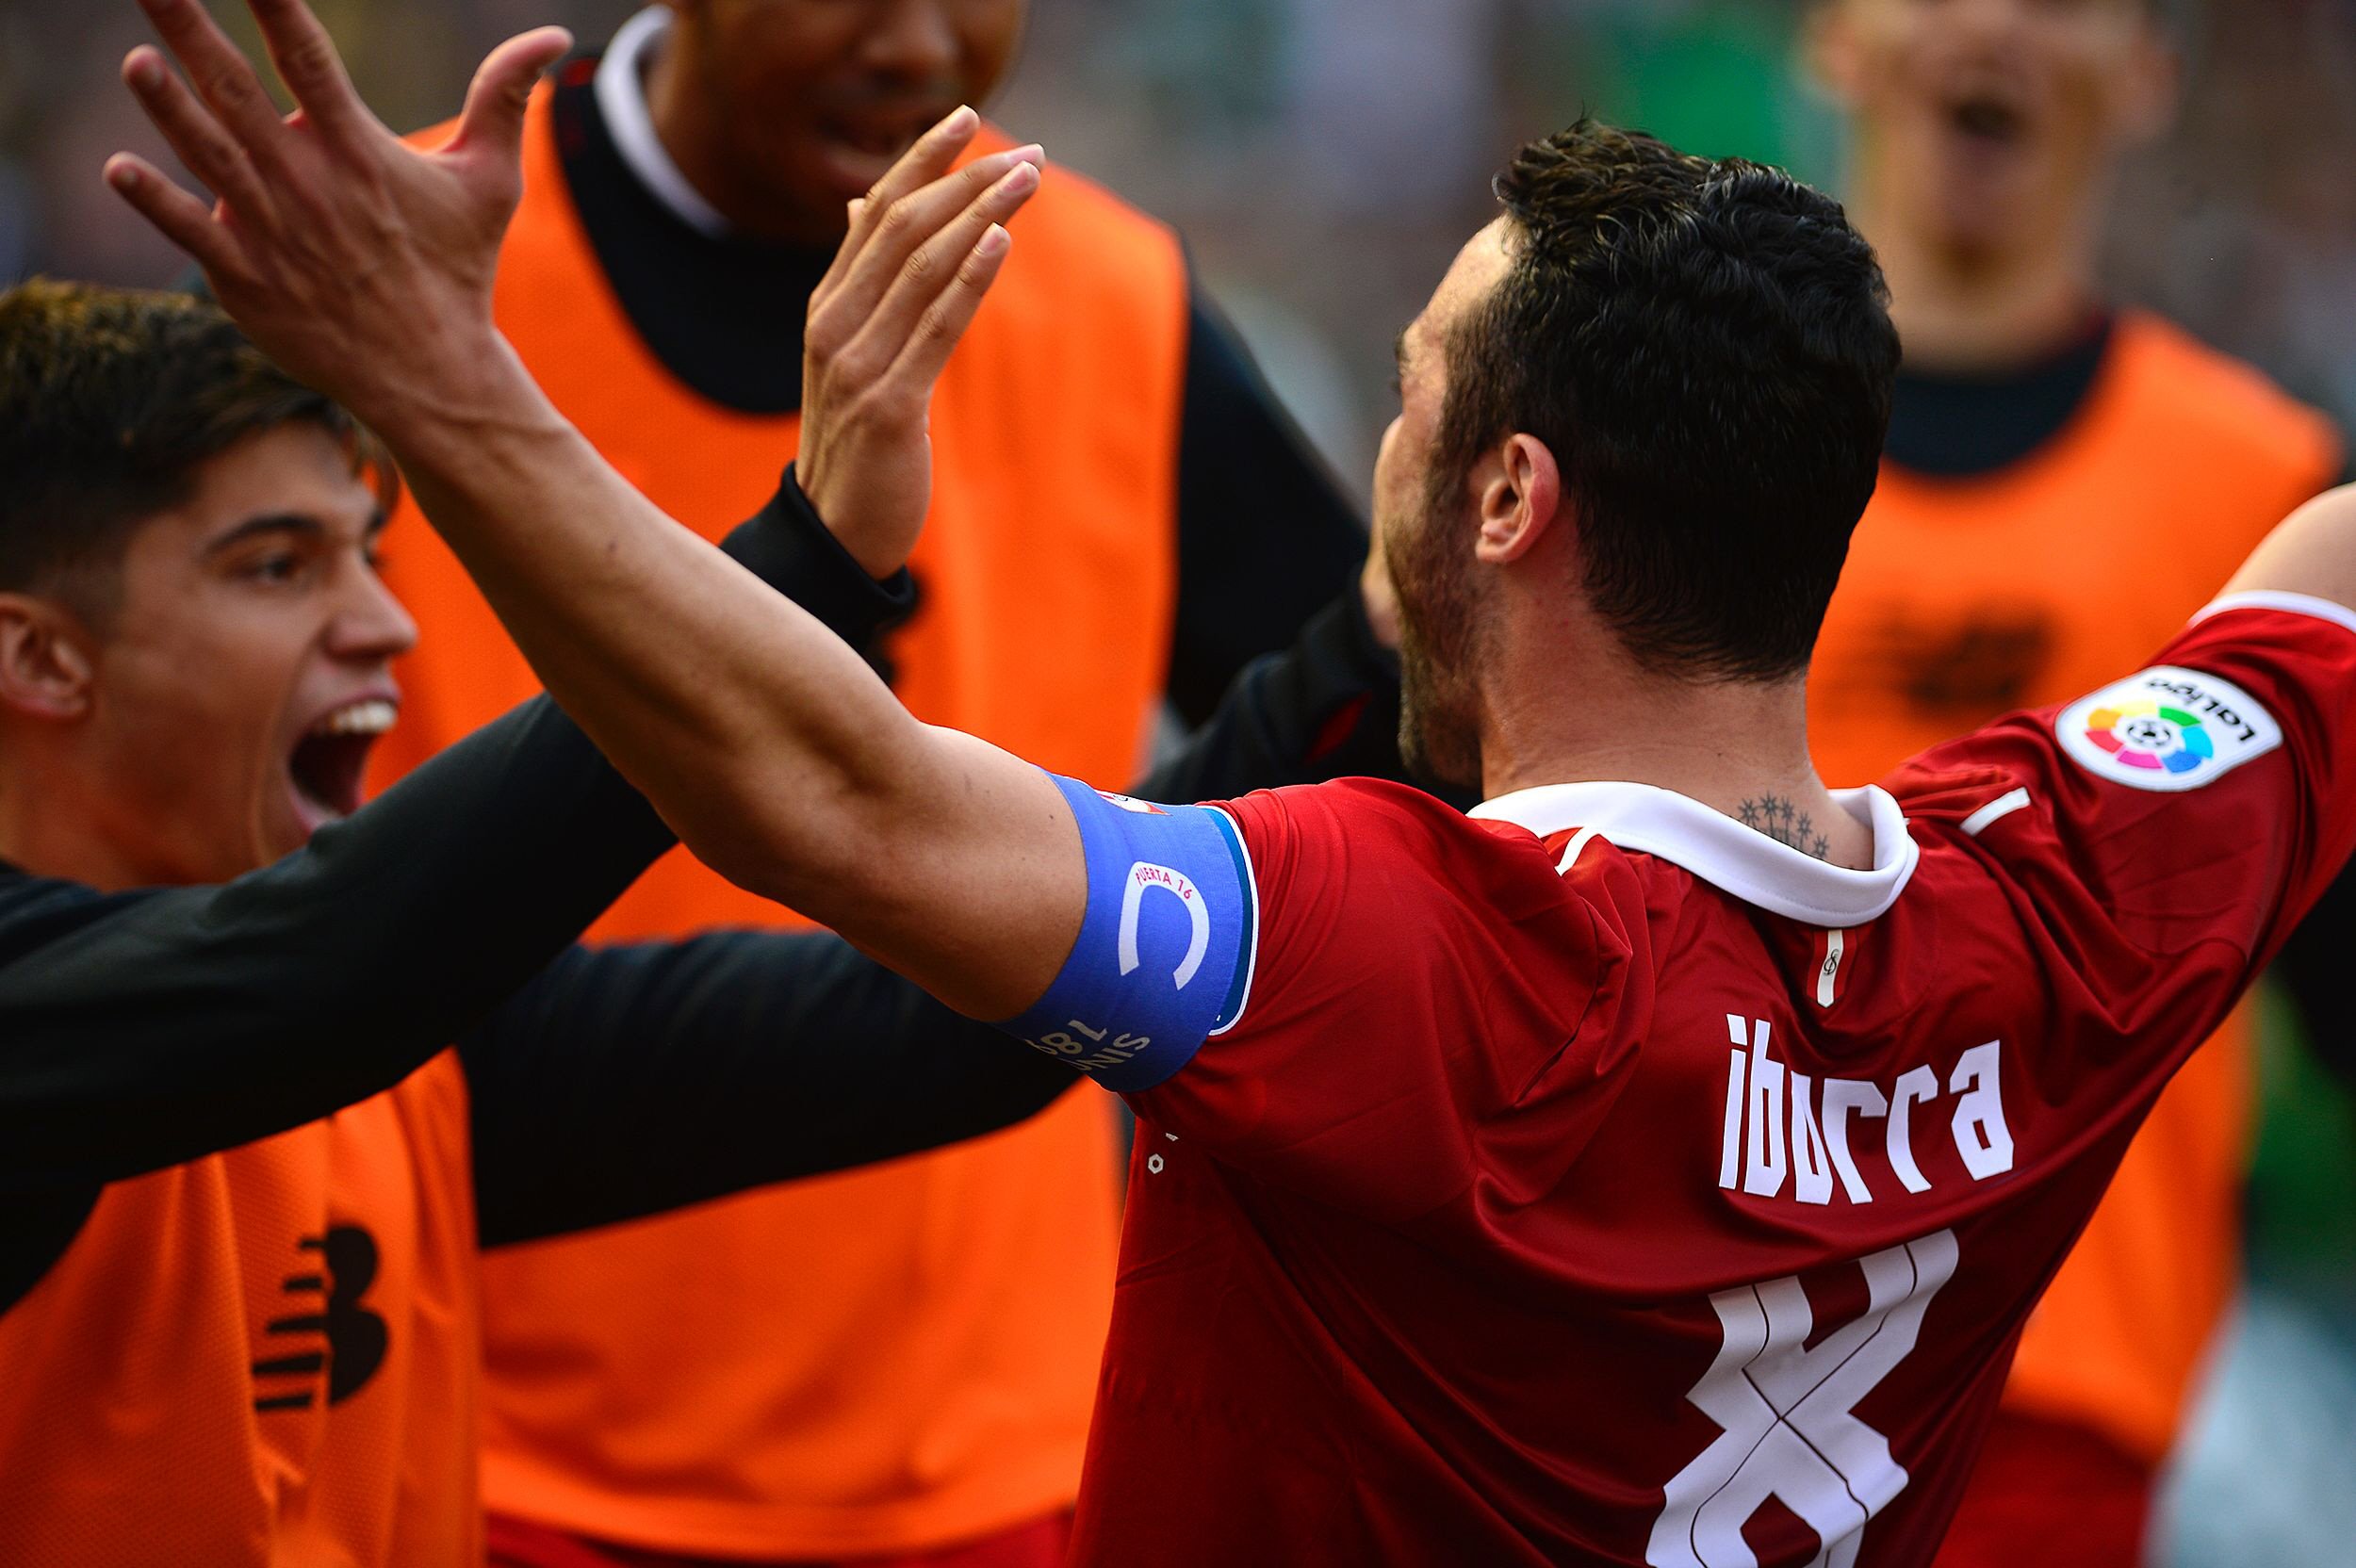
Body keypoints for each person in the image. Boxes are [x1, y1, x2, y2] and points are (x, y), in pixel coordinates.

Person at [111, 3, 2356, 1560]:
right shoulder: (2056, 895)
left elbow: (845, 802)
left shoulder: (1385, 958)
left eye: (1402, 393)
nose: (1363, 448)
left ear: (1500, 500)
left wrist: (440, 377)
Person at [0, 275, 1396, 1566]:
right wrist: (796, 569)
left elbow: (930, 1029)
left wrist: (1367, 655)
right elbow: (328, 962)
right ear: (40, 657)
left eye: (367, 552)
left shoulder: (409, 1073)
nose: (384, 623)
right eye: (276, 568)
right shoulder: (115, 1020)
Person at [360, 4, 1370, 1558]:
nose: (918, 42)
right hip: (486, 1464)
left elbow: (1373, 767)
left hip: (1017, 1469)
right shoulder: (392, 269)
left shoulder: (1115, 300)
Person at [1804, 4, 2346, 1559]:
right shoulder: (1673, 447)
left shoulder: (2263, 499)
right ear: (1837, 35)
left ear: (2151, 72)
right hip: (1668, 1344)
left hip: (2050, 1394)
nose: (1993, 24)